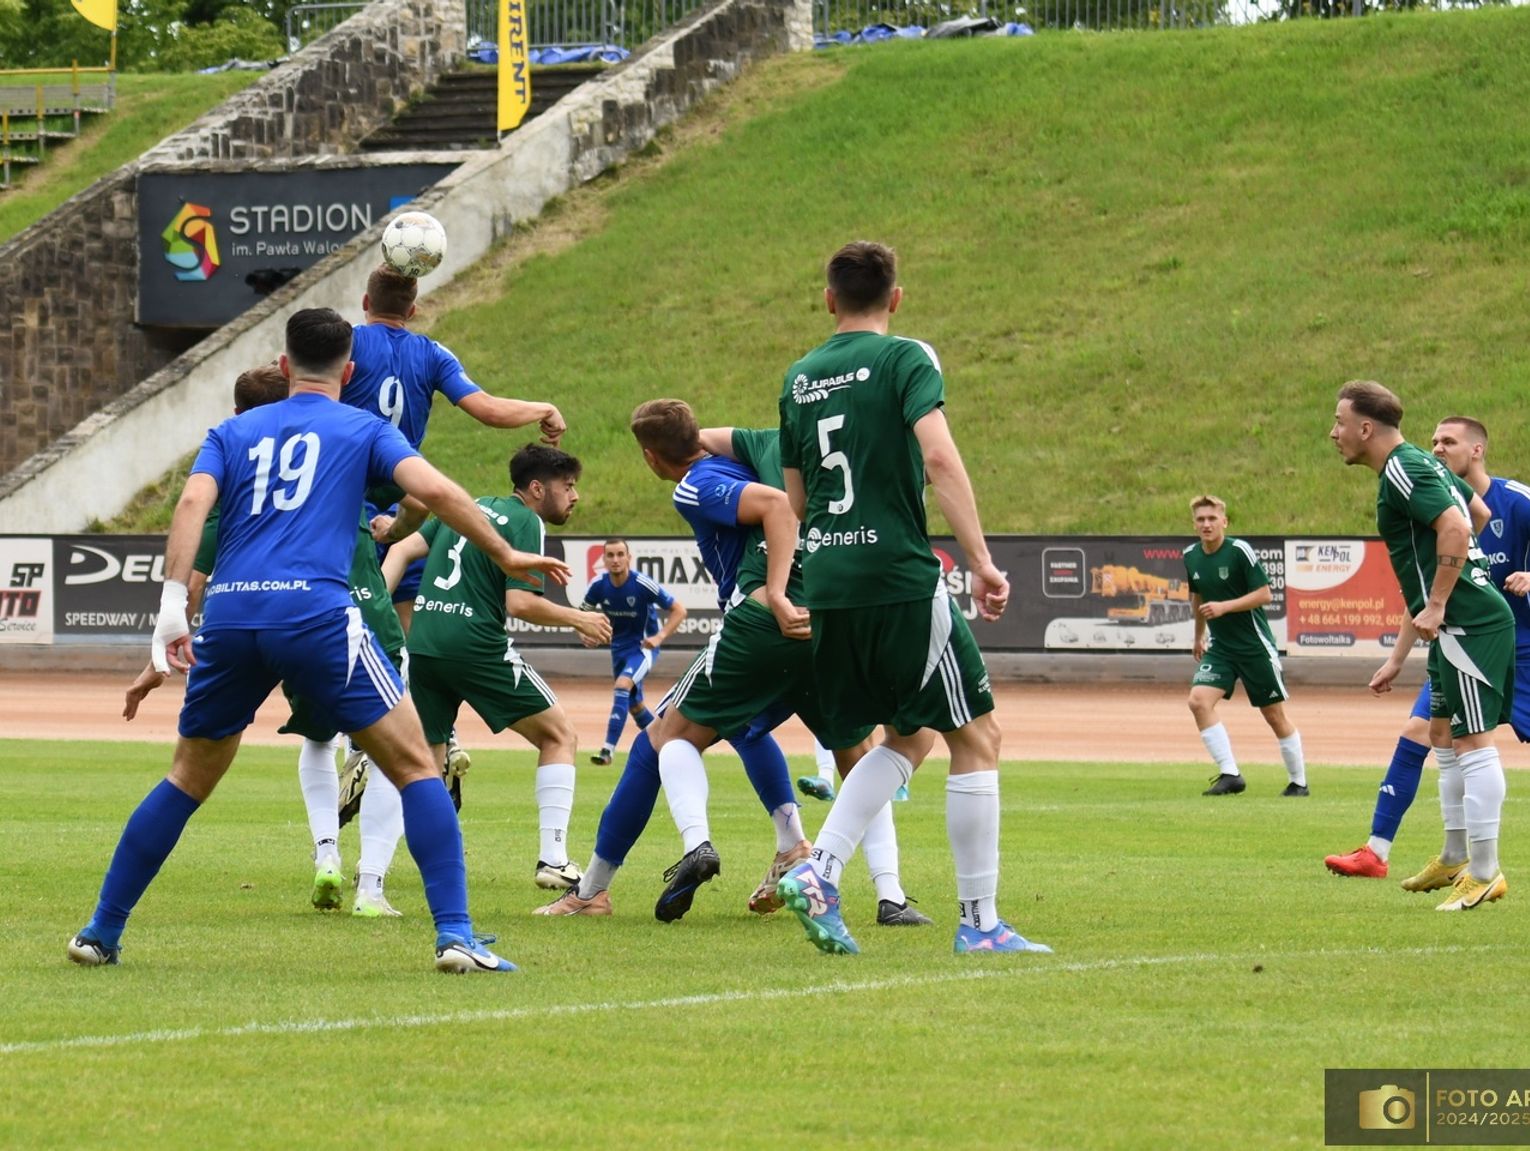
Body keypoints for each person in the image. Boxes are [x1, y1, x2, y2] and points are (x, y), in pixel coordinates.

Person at [68, 308, 568, 973]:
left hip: (233, 617)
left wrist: (168, 610)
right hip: (316, 615)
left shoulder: (233, 430)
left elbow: (191, 506)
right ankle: (455, 936)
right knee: (417, 763)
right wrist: (504, 551)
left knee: (186, 776)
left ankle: (100, 931)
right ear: (350, 371)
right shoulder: (364, 428)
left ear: (283, 365)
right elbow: (437, 491)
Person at [537, 403, 930, 927]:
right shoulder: (789, 452)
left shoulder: (719, 470)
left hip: (762, 622)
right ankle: (882, 892)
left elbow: (772, 505)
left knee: (660, 740)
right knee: (846, 755)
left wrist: (772, 591)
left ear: (652, 458)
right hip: (828, 619)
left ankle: (600, 887)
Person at [773, 240, 1049, 956]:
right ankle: (981, 923)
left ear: (829, 298)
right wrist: (982, 562)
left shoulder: (798, 377)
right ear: (895, 298)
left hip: (828, 581)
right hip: (896, 575)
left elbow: (797, 497)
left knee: (911, 733)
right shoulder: (906, 359)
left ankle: (821, 869)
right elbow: (938, 455)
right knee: (978, 736)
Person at [120, 364, 411, 919]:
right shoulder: (347, 446)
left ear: (239, 415)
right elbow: (420, 488)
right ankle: (377, 890)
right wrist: (400, 528)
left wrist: (157, 660)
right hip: (350, 616)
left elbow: (193, 577)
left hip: (250, 619)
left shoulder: (233, 485)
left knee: (273, 753)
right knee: (411, 761)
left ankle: (326, 854)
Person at [340, 265, 569, 802]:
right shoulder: (432, 353)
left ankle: (362, 738)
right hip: (407, 496)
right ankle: (423, 731)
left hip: (343, 504)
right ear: (414, 309)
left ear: (365, 300)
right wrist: (543, 409)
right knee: (404, 634)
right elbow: (487, 410)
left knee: (349, 627)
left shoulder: (347, 342)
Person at [382, 443, 611, 891]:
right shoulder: (528, 521)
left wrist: (380, 607)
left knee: (425, 764)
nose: (575, 496)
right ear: (537, 488)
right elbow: (520, 602)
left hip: (424, 644)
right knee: (559, 735)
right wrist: (578, 617)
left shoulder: (469, 506)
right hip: (474, 645)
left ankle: (385, 868)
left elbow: (402, 548)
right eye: (568, 486)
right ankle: (554, 859)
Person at [1330, 381, 1513, 911]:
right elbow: (1475, 514)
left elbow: (1457, 525)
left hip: (1469, 624)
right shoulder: (1416, 464)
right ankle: (1456, 856)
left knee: (1474, 741)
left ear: (1366, 428)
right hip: (1459, 621)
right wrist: (1405, 644)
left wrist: (1438, 603)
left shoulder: (1404, 469)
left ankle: (1485, 872)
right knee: (1441, 734)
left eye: (1340, 422)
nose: (1334, 432)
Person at [1184, 495, 1308, 797]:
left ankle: (1299, 782)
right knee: (1198, 701)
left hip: (1254, 647)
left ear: (1224, 521)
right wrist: (1198, 635)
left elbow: (1265, 594)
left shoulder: (1239, 551)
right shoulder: (1190, 555)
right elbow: (1197, 597)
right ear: (1194, 524)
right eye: (1201, 519)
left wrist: (1226, 607)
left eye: (1212, 518)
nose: (1206, 524)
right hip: (1221, 648)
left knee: (1274, 716)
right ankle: (1230, 774)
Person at [580, 539, 687, 765]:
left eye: (620, 554)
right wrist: (584, 633)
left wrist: (659, 637)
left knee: (622, 686)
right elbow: (581, 615)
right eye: (610, 555)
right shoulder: (598, 585)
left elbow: (679, 610)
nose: (616, 560)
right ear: (604, 560)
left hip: (642, 649)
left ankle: (607, 751)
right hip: (618, 650)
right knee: (635, 706)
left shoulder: (642, 583)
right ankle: (663, 747)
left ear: (629, 558)